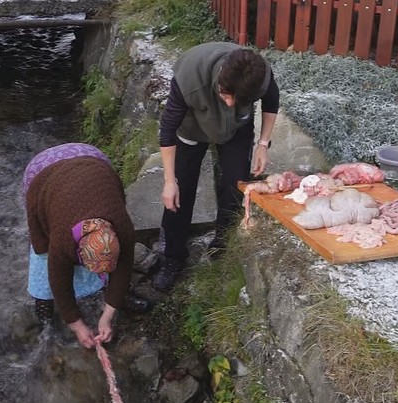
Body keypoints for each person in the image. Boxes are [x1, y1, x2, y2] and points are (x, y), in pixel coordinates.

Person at [152, 42, 280, 291]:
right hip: (191, 127)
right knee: (180, 190)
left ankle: (222, 246)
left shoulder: (259, 76)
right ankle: (173, 258)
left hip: (236, 129)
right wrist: (169, 181)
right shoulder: (190, 78)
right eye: (225, 95)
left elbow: (271, 102)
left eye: (236, 99)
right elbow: (167, 131)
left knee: (235, 184)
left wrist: (263, 144)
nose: (230, 103)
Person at [23, 143, 136, 348]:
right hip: (42, 173)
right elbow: (60, 281)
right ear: (78, 250)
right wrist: (77, 325)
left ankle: (114, 296)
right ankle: (43, 308)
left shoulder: (124, 229)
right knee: (42, 255)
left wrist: (107, 316)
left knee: (111, 272)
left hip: (93, 163)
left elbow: (123, 268)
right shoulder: (62, 238)